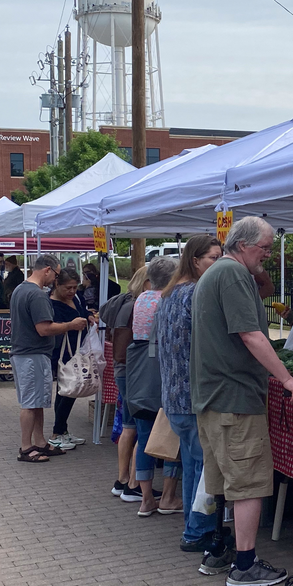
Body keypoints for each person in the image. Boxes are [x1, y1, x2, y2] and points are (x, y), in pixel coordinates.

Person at [192, 216, 293, 586]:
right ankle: (244, 565)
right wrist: (288, 379)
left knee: (225, 481)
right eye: (264, 248)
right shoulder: (232, 275)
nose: (268, 255)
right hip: (234, 399)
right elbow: (251, 335)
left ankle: (219, 550)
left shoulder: (217, 274)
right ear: (243, 246)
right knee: (250, 483)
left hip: (214, 397)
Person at [156, 234, 224, 563]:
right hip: (193, 397)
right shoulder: (195, 293)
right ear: (195, 260)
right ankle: (196, 532)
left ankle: (192, 526)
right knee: (203, 469)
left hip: (174, 397)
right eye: (213, 258)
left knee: (193, 465)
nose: (217, 264)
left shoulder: (167, 294)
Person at [10, 253, 87, 461]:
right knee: (29, 403)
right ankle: (26, 447)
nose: (56, 279)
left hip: (25, 353)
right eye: (56, 274)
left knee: (37, 402)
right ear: (47, 270)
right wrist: (70, 325)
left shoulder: (20, 289)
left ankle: (40, 441)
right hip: (32, 353)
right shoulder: (37, 294)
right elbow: (44, 328)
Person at [126, 256, 181, 516]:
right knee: (171, 435)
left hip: (140, 375)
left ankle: (145, 498)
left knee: (146, 437)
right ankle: (169, 496)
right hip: (162, 373)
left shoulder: (141, 299)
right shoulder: (168, 300)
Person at [101, 265, 151, 501]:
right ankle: (133, 483)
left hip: (122, 369)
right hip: (133, 369)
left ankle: (123, 480)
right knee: (138, 426)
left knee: (129, 425)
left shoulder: (120, 302)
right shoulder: (136, 305)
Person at [46, 268, 93, 451]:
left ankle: (62, 430)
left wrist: (88, 316)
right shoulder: (52, 304)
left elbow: (81, 311)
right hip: (63, 352)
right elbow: (51, 327)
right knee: (66, 391)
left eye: (75, 287)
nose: (72, 291)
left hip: (78, 350)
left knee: (68, 391)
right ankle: (57, 433)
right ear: (57, 285)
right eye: (68, 288)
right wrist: (71, 325)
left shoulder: (76, 298)